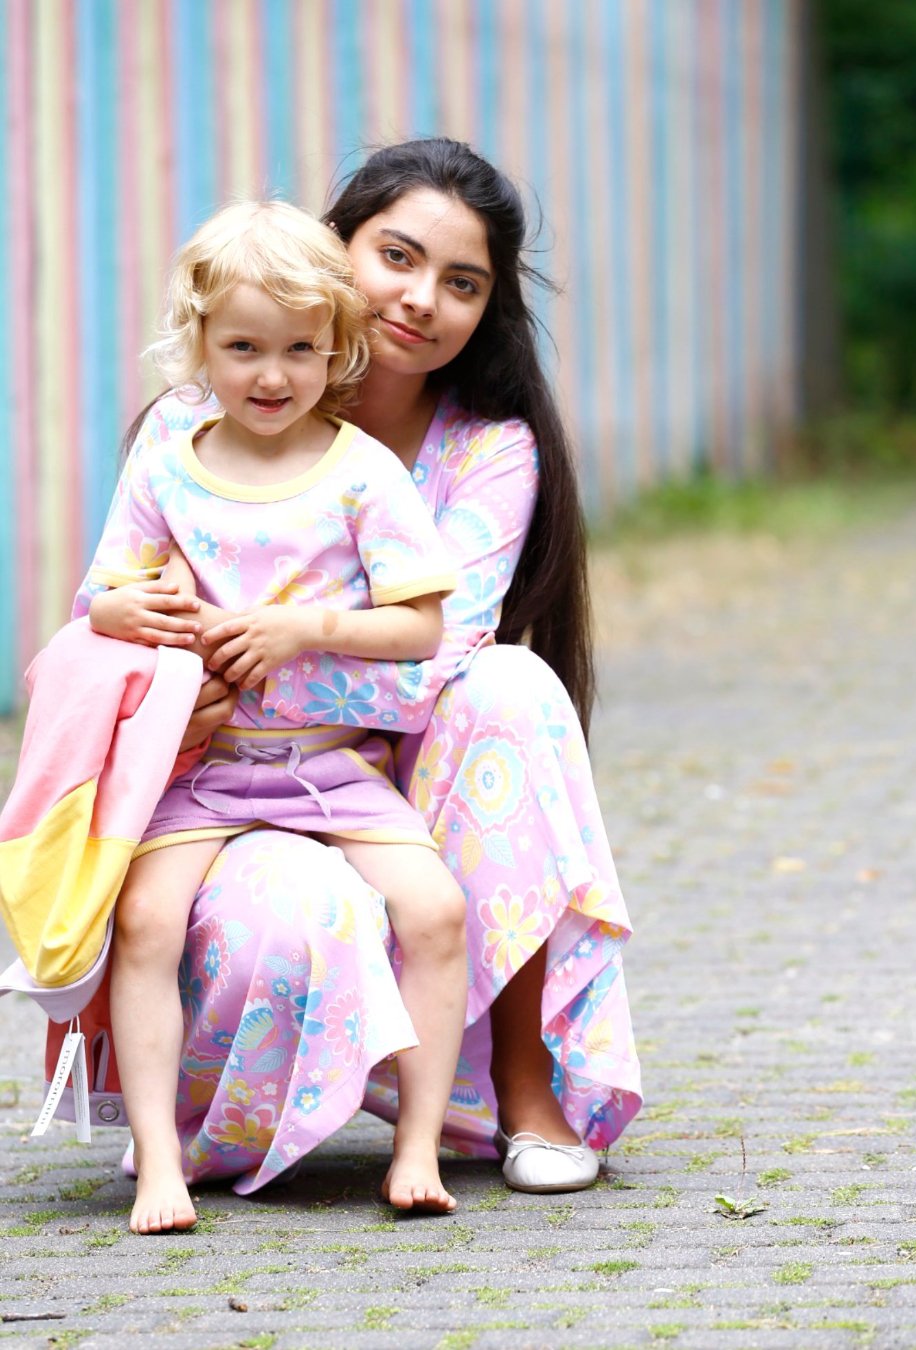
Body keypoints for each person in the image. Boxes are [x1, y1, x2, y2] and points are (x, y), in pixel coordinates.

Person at [76, 137, 642, 1204]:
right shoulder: (191, 434)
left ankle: (520, 1083)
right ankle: (198, 1127)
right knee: (281, 917)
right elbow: (115, 619)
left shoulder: (486, 451)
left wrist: (254, 649)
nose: (423, 299)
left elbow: (437, 663)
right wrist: (172, 667)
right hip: (225, 781)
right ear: (333, 249)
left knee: (509, 691)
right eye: (397, 255)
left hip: (397, 783)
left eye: (462, 284)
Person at [80, 200, 467, 1231]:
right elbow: (98, 602)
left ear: (337, 347)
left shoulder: (360, 473)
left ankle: (417, 1149)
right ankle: (160, 1160)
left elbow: (424, 625)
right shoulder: (169, 466)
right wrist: (129, 609)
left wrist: (306, 629)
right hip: (202, 769)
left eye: (300, 349)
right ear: (198, 342)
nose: (270, 374)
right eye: (243, 346)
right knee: (148, 921)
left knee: (435, 912)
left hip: (330, 770)